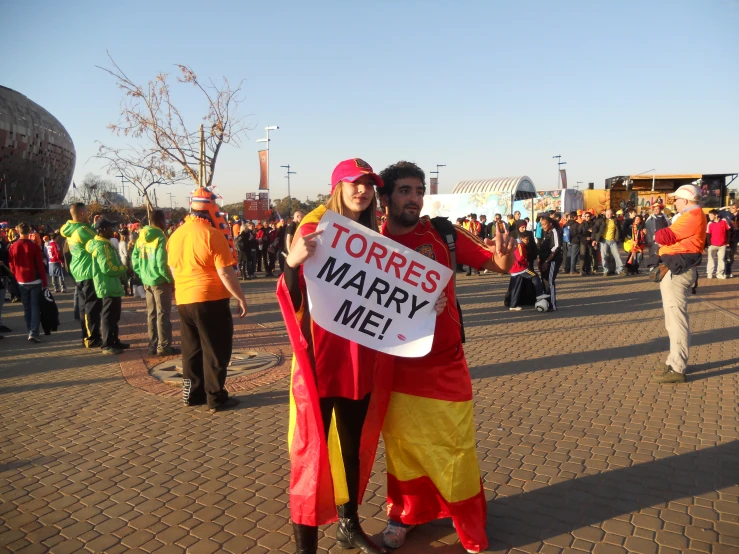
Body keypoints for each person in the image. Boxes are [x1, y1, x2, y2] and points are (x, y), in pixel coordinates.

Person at [377, 161, 516, 554]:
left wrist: (504, 258)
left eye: (418, 191)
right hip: (396, 367)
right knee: (402, 449)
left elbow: (495, 264)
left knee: (456, 448)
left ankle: (467, 522)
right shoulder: (370, 241)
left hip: (445, 363)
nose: (414, 199)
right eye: (404, 191)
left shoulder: (442, 234)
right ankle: (402, 515)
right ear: (385, 197)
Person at [276, 159, 389, 554]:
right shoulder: (313, 227)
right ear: (337, 186)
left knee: (351, 448)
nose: (362, 190)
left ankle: (348, 524)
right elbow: (292, 298)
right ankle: (305, 546)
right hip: (320, 362)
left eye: (368, 185)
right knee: (311, 453)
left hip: (359, 360)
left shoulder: (374, 237)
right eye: (354, 183)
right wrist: (291, 263)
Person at [167, 187, 247, 413]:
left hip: (184, 300)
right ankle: (216, 397)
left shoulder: (176, 235)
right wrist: (240, 297)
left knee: (191, 350)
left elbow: (173, 269)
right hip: (211, 299)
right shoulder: (213, 235)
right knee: (215, 349)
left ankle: (193, 394)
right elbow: (225, 272)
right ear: (211, 210)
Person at [652, 185, 706, 384]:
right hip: (677, 269)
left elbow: (664, 236)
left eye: (676, 199)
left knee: (676, 320)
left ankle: (677, 366)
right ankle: (673, 360)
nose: (674, 203)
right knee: (672, 320)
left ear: (684, 200)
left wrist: (660, 238)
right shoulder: (693, 215)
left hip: (678, 271)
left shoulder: (691, 216)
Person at [132, 210, 178, 356]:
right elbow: (162, 264)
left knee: (151, 314)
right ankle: (164, 346)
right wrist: (171, 280)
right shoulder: (161, 238)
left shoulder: (141, 238)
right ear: (161, 222)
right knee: (163, 314)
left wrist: (142, 274)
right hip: (160, 281)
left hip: (147, 280)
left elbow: (134, 260)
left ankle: (153, 344)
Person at [61, 203, 103, 348]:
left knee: (84, 306)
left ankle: (88, 335)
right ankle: (91, 337)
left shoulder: (72, 229)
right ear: (83, 213)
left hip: (79, 271)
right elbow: (98, 241)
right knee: (91, 307)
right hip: (88, 272)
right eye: (87, 212)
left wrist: (93, 225)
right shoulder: (82, 230)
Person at [86, 218, 129, 354]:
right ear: (102, 230)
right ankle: (107, 344)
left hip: (112, 285)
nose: (113, 230)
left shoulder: (106, 244)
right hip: (107, 284)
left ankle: (114, 340)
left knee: (114, 316)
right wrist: (123, 269)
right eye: (110, 228)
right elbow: (107, 268)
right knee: (108, 316)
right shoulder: (102, 246)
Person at [8, 223, 47, 342]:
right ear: (29, 231)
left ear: (17, 231)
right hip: (35, 279)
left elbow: (11, 264)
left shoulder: (13, 246)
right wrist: (45, 282)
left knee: (26, 307)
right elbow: (40, 265)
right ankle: (34, 332)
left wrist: (16, 275)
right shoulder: (34, 246)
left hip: (21, 280)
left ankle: (30, 329)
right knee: (35, 306)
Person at [508, 231, 545, 311]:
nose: (527, 241)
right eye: (526, 239)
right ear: (521, 238)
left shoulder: (516, 243)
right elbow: (520, 258)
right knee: (535, 276)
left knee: (516, 287)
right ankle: (539, 295)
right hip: (520, 268)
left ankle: (513, 305)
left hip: (514, 269)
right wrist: (526, 262)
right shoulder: (520, 245)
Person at [538, 216, 563, 311]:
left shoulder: (555, 232)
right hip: (544, 260)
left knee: (550, 281)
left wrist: (547, 261)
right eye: (542, 224)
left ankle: (552, 305)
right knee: (544, 281)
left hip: (553, 260)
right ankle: (546, 301)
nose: (543, 226)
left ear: (550, 224)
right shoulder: (546, 232)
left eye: (545, 224)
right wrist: (540, 260)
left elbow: (556, 248)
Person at [592, 209, 624, 276]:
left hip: (613, 240)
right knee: (604, 256)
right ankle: (605, 270)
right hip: (604, 240)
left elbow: (619, 230)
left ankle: (620, 270)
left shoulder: (615, 221)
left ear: (612, 214)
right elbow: (595, 228)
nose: (608, 215)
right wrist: (594, 239)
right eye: (607, 214)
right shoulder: (601, 220)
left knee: (617, 255)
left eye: (609, 214)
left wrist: (619, 239)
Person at [706, 209, 731, 279]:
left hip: (722, 244)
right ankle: (710, 273)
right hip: (712, 244)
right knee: (711, 259)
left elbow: (729, 231)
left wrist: (728, 242)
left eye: (711, 215)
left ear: (716, 215)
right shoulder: (710, 224)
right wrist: (709, 244)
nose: (709, 217)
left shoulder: (724, 221)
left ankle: (719, 273)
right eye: (709, 215)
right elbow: (708, 234)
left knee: (721, 259)